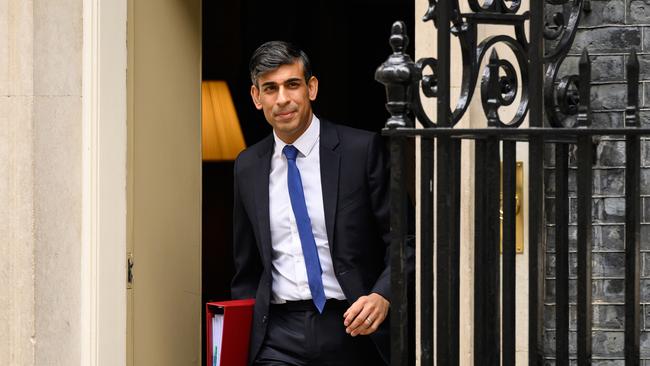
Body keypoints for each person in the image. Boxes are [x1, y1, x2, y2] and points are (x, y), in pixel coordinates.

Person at [231, 40, 394, 366]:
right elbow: (246, 267)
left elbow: (405, 240)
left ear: (312, 88)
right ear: (256, 97)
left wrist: (383, 295)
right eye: (270, 88)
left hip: (353, 326)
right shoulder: (247, 166)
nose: (282, 99)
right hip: (277, 336)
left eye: (292, 85)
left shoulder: (360, 150)